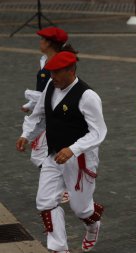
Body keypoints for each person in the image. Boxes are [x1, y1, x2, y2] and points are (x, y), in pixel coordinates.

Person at [16, 51, 107, 253]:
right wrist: (26, 134)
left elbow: (99, 132)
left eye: (56, 73)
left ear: (71, 70)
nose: (52, 76)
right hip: (53, 155)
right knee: (45, 202)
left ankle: (93, 225)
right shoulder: (51, 86)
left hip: (80, 159)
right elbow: (39, 115)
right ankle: (59, 248)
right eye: (51, 72)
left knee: (81, 209)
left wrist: (73, 149)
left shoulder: (87, 96)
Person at [22, 27, 77, 203]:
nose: (39, 42)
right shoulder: (46, 61)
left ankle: (63, 186)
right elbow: (44, 92)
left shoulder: (56, 65)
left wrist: (34, 105)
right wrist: (31, 104)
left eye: (42, 39)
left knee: (43, 154)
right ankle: (61, 184)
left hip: (55, 116)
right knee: (44, 154)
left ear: (49, 43)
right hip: (48, 115)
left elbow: (55, 91)